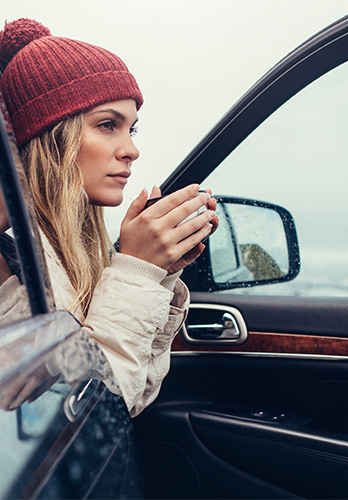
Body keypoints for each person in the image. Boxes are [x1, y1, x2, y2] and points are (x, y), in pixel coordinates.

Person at [0, 18, 218, 416]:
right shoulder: (11, 268)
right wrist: (137, 269)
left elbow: (133, 395)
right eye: (107, 125)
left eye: (132, 130)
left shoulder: (50, 257)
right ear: (50, 136)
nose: (130, 150)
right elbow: (90, 409)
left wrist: (160, 273)